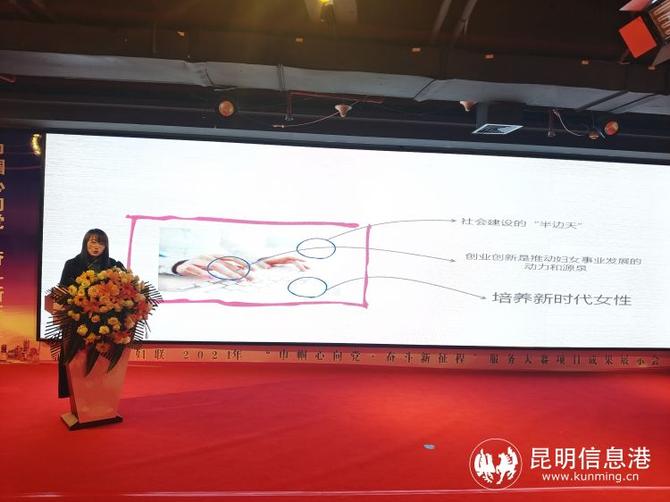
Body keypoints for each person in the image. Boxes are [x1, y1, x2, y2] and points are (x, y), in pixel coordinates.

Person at [56, 228, 125, 398]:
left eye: (101, 243)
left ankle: (102, 397)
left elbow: (125, 289)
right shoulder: (72, 264)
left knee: (100, 365)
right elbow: (61, 292)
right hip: (77, 323)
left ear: (105, 246)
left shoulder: (114, 265)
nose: (96, 246)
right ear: (85, 243)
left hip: (106, 325)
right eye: (93, 242)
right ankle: (77, 395)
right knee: (77, 363)